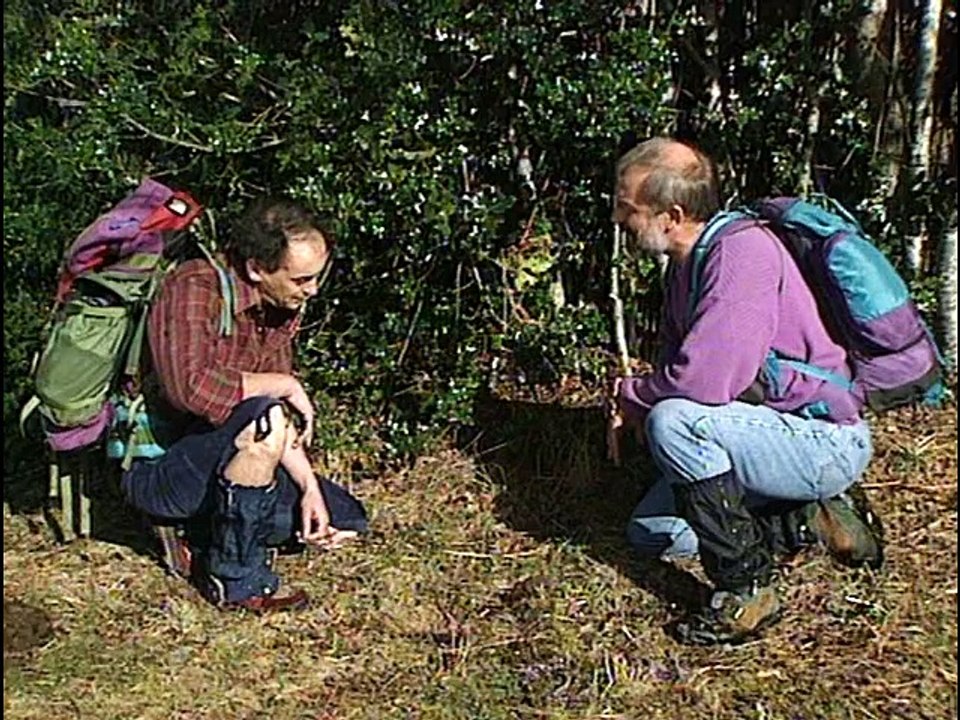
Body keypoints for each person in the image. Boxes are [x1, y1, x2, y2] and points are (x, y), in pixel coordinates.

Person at [610, 137, 882, 645]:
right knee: (654, 533)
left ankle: (747, 590)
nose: (619, 218)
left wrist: (633, 398)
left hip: (821, 438)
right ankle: (802, 515)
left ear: (670, 214)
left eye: (628, 207)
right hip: (766, 432)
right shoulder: (687, 265)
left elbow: (705, 385)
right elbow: (680, 371)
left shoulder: (742, 253)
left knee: (675, 422)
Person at [120, 197, 367, 613]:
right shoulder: (193, 289)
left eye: (316, 277)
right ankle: (235, 579)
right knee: (262, 416)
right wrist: (284, 384)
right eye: (301, 279)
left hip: (226, 457)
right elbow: (191, 389)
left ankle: (201, 532)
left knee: (346, 518)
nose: (313, 290)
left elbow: (275, 412)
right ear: (256, 269)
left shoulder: (277, 308)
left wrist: (309, 489)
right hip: (161, 468)